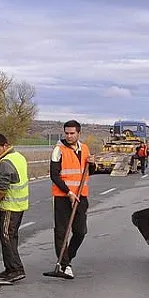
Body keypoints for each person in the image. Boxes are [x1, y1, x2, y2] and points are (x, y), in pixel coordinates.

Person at [50, 120, 96, 279]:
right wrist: (68, 192)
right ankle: (64, 265)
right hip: (63, 196)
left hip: (81, 196)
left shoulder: (84, 148)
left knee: (80, 231)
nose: (69, 136)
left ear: (78, 133)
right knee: (61, 232)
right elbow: (54, 175)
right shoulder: (58, 150)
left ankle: (68, 256)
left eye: (72, 133)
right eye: (67, 133)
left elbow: (90, 171)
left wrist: (92, 163)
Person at [0, 134, 29, 280]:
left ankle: (17, 269)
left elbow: (2, 188)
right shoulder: (18, 156)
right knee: (11, 237)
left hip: (10, 205)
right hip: (20, 205)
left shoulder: (5, 162)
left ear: (5, 145)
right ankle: (10, 268)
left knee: (7, 237)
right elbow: (13, 173)